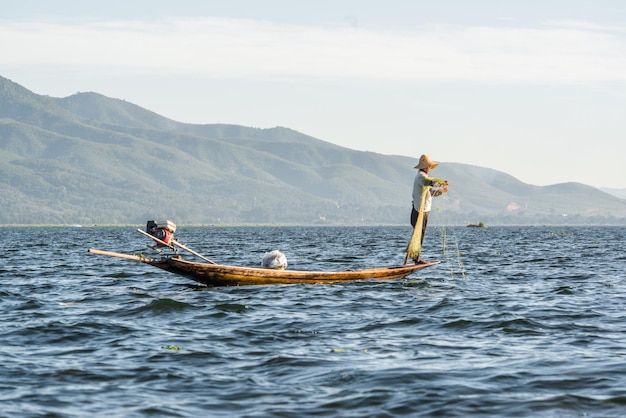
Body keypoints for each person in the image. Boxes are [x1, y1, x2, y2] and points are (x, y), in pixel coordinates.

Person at [410, 154, 449, 264]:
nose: (429, 169)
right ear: (426, 167)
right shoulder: (422, 177)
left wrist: (441, 191)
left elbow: (430, 193)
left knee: (418, 235)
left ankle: (415, 257)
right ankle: (416, 259)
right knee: (419, 235)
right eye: (429, 167)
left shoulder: (422, 177)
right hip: (420, 211)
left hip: (420, 210)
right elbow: (431, 182)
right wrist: (442, 182)